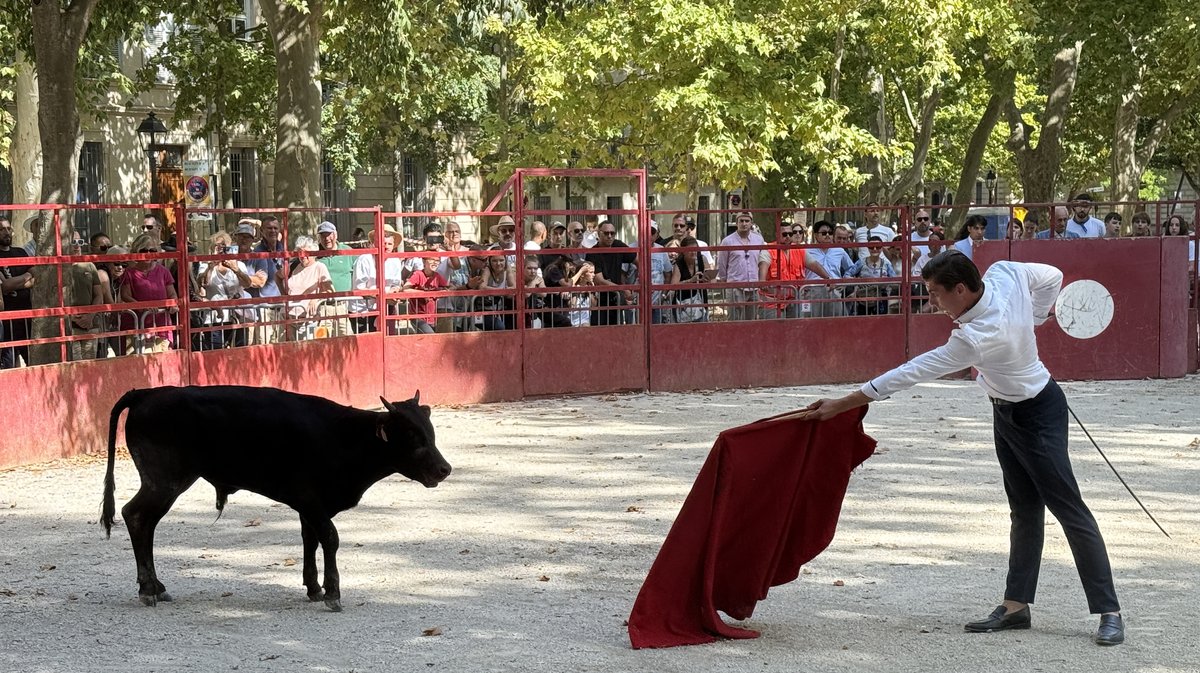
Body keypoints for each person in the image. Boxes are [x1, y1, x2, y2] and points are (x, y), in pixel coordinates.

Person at [795, 250, 1124, 647]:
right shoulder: (1005, 273)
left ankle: (1110, 611)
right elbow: (1053, 275)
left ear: (962, 289)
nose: (932, 302)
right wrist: (1036, 316)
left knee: (1070, 509)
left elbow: (911, 372)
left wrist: (841, 404)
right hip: (1007, 409)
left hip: (1038, 414)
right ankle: (1016, 605)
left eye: (935, 293)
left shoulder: (978, 336)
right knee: (1023, 509)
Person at [121, 233, 178, 353]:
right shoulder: (129, 273)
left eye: (152, 250)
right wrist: (142, 307)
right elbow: (125, 295)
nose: (148, 253)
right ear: (136, 251)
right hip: (137, 325)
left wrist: (173, 304)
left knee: (163, 360)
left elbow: (172, 294)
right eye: (143, 250)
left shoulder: (163, 271)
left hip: (161, 324)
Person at [350, 224, 406, 334]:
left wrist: (394, 292)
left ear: (394, 245)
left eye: (389, 243)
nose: (386, 246)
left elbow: (396, 284)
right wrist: (384, 297)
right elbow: (359, 289)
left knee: (387, 341)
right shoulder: (364, 259)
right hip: (363, 310)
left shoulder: (395, 261)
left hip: (385, 308)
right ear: (376, 243)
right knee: (366, 345)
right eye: (384, 243)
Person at [716, 212, 767, 321]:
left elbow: (762, 260)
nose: (744, 224)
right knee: (734, 320)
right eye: (741, 221)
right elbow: (722, 263)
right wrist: (725, 282)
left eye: (747, 221)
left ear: (751, 223)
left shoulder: (758, 239)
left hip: (753, 286)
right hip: (735, 286)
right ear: (736, 223)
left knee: (751, 320)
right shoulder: (727, 241)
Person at [0, 217, 35, 368]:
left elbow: (36, 276)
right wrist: (27, 277)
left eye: (8, 229)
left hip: (28, 318)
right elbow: (5, 286)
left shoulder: (20, 252)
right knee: (10, 366)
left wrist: (19, 281)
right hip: (7, 320)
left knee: (33, 364)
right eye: (1, 229)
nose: (6, 232)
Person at [285, 236, 334, 340]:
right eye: (299, 253)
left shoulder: (319, 267)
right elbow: (278, 276)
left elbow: (330, 290)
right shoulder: (294, 266)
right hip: (289, 318)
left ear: (314, 253)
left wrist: (315, 298)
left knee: (307, 351)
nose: (302, 256)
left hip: (308, 320)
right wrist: (284, 296)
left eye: (306, 253)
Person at [402, 254, 449, 334]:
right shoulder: (418, 274)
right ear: (424, 261)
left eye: (437, 261)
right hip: (418, 316)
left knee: (426, 341)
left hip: (432, 316)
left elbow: (450, 287)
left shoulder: (437, 276)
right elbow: (405, 289)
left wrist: (444, 291)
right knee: (431, 336)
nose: (435, 263)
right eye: (432, 260)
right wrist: (424, 293)